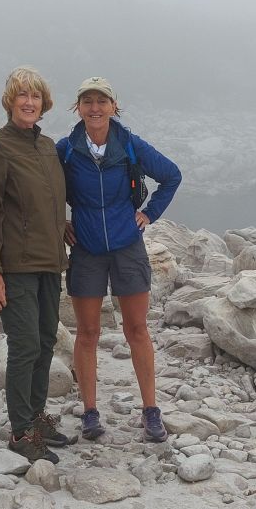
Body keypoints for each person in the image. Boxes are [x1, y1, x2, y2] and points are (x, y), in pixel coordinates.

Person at [57, 76, 181, 443]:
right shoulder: (66, 149)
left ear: (114, 106)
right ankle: (90, 412)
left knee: (137, 329)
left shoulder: (129, 144)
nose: (95, 108)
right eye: (88, 101)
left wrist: (149, 214)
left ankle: (151, 410)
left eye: (102, 101)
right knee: (88, 333)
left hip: (127, 246)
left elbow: (171, 176)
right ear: (78, 108)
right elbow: (44, 189)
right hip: (86, 248)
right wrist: (59, 221)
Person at [0, 66, 73, 464]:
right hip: (15, 264)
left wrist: (61, 224)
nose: (29, 102)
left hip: (50, 260)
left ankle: (36, 418)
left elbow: (46, 199)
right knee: (24, 346)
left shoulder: (47, 146)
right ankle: (20, 432)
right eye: (22, 95)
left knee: (46, 340)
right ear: (10, 101)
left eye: (35, 96)